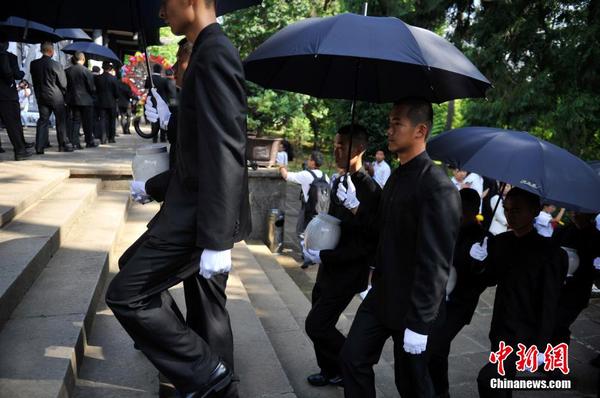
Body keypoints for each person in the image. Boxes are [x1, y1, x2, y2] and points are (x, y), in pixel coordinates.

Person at [106, 0, 251, 396]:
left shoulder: (216, 52)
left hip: (196, 219)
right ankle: (202, 372)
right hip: (186, 211)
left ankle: (209, 374)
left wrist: (217, 240)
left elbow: (225, 150)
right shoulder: (205, 51)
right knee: (133, 275)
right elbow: (196, 151)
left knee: (127, 293)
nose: (159, 12)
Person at [339, 98, 461, 398]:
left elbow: (435, 264)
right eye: (389, 123)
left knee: (412, 385)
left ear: (420, 130)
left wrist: (420, 324)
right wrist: (356, 207)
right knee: (351, 358)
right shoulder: (396, 176)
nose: (389, 131)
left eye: (397, 124)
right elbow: (382, 229)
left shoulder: (437, 187)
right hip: (382, 295)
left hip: (414, 305)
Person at [302, 124, 381, 388]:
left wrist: (355, 207)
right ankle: (330, 369)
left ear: (358, 149)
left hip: (348, 271)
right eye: (334, 145)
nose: (335, 151)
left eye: (341, 146)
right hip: (329, 265)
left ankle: (350, 361)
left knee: (317, 325)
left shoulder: (370, 190)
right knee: (318, 317)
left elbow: (371, 236)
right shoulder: (339, 180)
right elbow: (336, 223)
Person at [470, 187, 568, 397]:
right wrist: (479, 262)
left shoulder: (551, 253)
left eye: (517, 210)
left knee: (489, 380)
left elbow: (550, 302)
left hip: (527, 332)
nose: (509, 214)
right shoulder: (501, 242)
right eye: (506, 209)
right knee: (503, 382)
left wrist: (543, 346)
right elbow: (489, 279)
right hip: (501, 326)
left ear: (534, 211)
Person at [428, 188, 488, 397]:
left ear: (475, 211)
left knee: (436, 344)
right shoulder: (448, 228)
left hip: (460, 302)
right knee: (434, 347)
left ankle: (440, 392)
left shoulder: (482, 238)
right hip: (437, 295)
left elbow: (483, 278)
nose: (460, 213)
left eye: (466, 209)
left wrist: (478, 263)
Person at [552, 212, 600, 346]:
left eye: (580, 212)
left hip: (578, 290)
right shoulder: (562, 230)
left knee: (560, 325)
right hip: (556, 286)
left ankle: (555, 360)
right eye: (574, 211)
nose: (575, 213)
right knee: (549, 323)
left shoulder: (595, 235)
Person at [30, 41, 73, 154]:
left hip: (41, 96)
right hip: (56, 96)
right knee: (60, 121)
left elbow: (34, 80)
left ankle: (39, 146)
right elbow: (63, 83)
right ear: (51, 51)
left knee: (43, 120)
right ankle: (62, 144)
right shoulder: (56, 65)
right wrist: (63, 93)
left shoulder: (33, 64)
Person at [279, 151, 329, 241]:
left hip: (308, 210)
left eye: (309, 159)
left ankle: (304, 253)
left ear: (313, 162)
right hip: (322, 211)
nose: (307, 161)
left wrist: (281, 166)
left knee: (301, 233)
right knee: (315, 235)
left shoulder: (306, 174)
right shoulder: (326, 177)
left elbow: (286, 176)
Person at [0, 39, 31, 160]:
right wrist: (13, 79)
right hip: (6, 95)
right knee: (13, 123)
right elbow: (15, 74)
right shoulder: (7, 56)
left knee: (13, 123)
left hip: (6, 94)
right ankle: (19, 150)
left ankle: (20, 147)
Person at [65, 52, 98, 149]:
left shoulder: (67, 71)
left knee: (76, 120)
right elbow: (91, 87)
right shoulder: (86, 71)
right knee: (87, 122)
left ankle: (75, 142)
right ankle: (89, 141)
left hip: (72, 99)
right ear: (83, 59)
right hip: (86, 100)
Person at [145, 63, 176, 143]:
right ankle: (162, 137)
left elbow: (145, 87)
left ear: (153, 69)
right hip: (162, 101)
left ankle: (154, 137)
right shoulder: (164, 80)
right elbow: (168, 91)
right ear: (160, 70)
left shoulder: (149, 78)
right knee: (162, 119)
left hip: (152, 101)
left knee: (154, 119)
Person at [94, 61, 119, 144]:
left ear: (102, 67)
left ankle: (103, 138)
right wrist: (116, 97)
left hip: (101, 102)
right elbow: (116, 92)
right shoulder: (113, 78)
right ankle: (111, 137)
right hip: (111, 102)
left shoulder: (98, 78)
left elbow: (95, 90)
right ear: (110, 68)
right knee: (112, 120)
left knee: (102, 120)